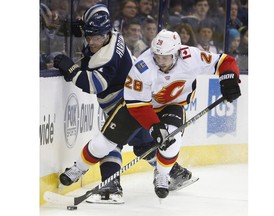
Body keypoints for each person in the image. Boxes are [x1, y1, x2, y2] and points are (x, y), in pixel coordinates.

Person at [54, 28, 241, 200]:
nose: (160, 62)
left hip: (172, 105)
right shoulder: (143, 66)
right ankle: (78, 168)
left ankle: (162, 175)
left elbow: (225, 61)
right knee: (104, 142)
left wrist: (228, 78)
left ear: (176, 53)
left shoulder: (191, 56)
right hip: (140, 105)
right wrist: (154, 126)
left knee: (172, 140)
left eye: (165, 57)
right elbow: (137, 104)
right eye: (157, 56)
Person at [53, 4, 196, 203]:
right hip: (137, 100)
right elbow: (97, 16)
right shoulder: (113, 35)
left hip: (127, 103)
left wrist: (71, 69)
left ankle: (111, 187)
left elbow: (94, 84)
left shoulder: (108, 55)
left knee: (112, 141)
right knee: (142, 145)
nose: (93, 42)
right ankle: (176, 171)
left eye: (97, 37)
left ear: (105, 35)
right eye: (89, 36)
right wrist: (79, 28)